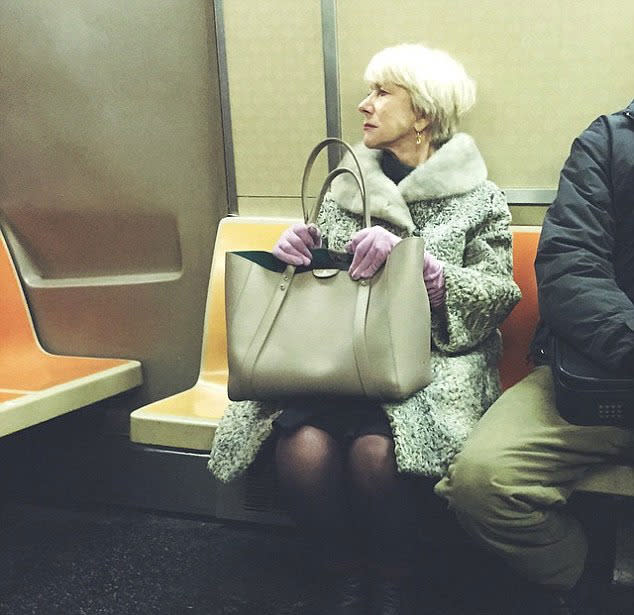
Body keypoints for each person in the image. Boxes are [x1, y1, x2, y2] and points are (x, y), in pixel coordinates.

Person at [208, 43, 520, 615]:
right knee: (301, 448)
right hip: (340, 356)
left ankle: (395, 579)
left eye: (381, 93)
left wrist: (424, 269)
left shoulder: (480, 199)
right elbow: (326, 285)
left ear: (422, 112)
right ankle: (344, 572)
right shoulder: (344, 189)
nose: (363, 105)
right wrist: (295, 255)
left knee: (378, 452)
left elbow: (498, 294)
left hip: (431, 364)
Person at [435, 100, 634, 615]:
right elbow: (571, 266)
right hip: (601, 369)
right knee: (483, 482)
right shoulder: (611, 141)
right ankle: (592, 582)